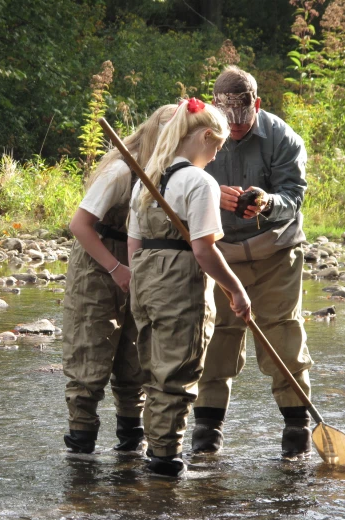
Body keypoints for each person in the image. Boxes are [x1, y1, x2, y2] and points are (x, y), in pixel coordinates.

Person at [190, 66, 314, 460]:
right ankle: (207, 438)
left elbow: (293, 196)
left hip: (275, 253)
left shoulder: (284, 139)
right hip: (219, 254)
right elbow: (175, 182)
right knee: (216, 340)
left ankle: (296, 435)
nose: (235, 130)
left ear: (256, 105)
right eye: (229, 123)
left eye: (242, 122)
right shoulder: (196, 134)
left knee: (283, 338)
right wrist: (213, 195)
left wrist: (265, 202)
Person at [127, 98, 251, 477]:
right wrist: (235, 289)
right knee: (177, 373)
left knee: (153, 370)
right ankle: (165, 463)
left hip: (145, 282)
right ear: (205, 137)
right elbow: (203, 249)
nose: (215, 157)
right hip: (180, 283)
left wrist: (145, 284)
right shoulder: (198, 182)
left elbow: (134, 246)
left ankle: (155, 453)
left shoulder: (147, 181)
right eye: (216, 147)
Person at [63, 104, 176, 455]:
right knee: (90, 351)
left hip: (138, 263)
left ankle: (131, 442)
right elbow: (79, 226)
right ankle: (81, 446)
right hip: (97, 265)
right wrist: (115, 268)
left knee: (135, 354)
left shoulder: (168, 172)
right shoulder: (119, 172)